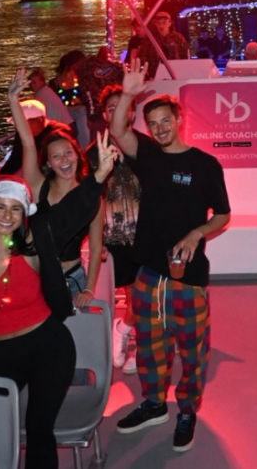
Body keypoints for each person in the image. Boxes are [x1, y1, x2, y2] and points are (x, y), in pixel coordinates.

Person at [0, 143, 117, 469]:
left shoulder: (34, 244)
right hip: (1, 355)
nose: (7, 216)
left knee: (38, 427)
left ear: (25, 215)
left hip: (49, 349)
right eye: (0, 207)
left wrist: (98, 178)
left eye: (16, 209)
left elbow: (68, 214)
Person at [109, 59, 231, 453]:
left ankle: (187, 411)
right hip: (149, 273)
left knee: (192, 351)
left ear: (179, 119)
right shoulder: (148, 155)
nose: (160, 128)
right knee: (149, 345)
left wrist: (197, 233)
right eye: (153, 124)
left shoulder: (205, 165)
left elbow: (223, 215)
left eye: (166, 120)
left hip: (188, 277)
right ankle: (154, 403)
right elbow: (117, 130)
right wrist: (128, 94)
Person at [8, 68, 94, 300]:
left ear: (77, 155)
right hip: (39, 278)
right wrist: (13, 99)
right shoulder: (40, 188)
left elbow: (96, 248)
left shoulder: (91, 193)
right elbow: (27, 143)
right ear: (48, 163)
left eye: (68, 153)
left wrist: (89, 289)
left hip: (75, 279)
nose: (64, 160)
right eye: (56, 156)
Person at [86, 85, 143, 374]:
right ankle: (128, 333)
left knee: (143, 296)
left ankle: (126, 331)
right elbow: (87, 200)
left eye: (123, 106)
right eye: (111, 108)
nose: (118, 112)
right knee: (131, 296)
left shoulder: (146, 148)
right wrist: (95, 240)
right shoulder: (91, 154)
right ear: (105, 115)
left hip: (145, 235)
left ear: (132, 112)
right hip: (113, 237)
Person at [0, 99, 73, 176]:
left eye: (23, 123)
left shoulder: (60, 133)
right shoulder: (21, 133)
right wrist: (0, 177)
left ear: (39, 120)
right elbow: (15, 159)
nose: (19, 127)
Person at [138, 11, 189, 79]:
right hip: (155, 76)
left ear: (169, 23)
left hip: (175, 75)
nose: (161, 26)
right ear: (155, 24)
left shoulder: (178, 38)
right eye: (158, 23)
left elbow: (185, 55)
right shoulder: (150, 39)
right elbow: (142, 57)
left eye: (164, 23)